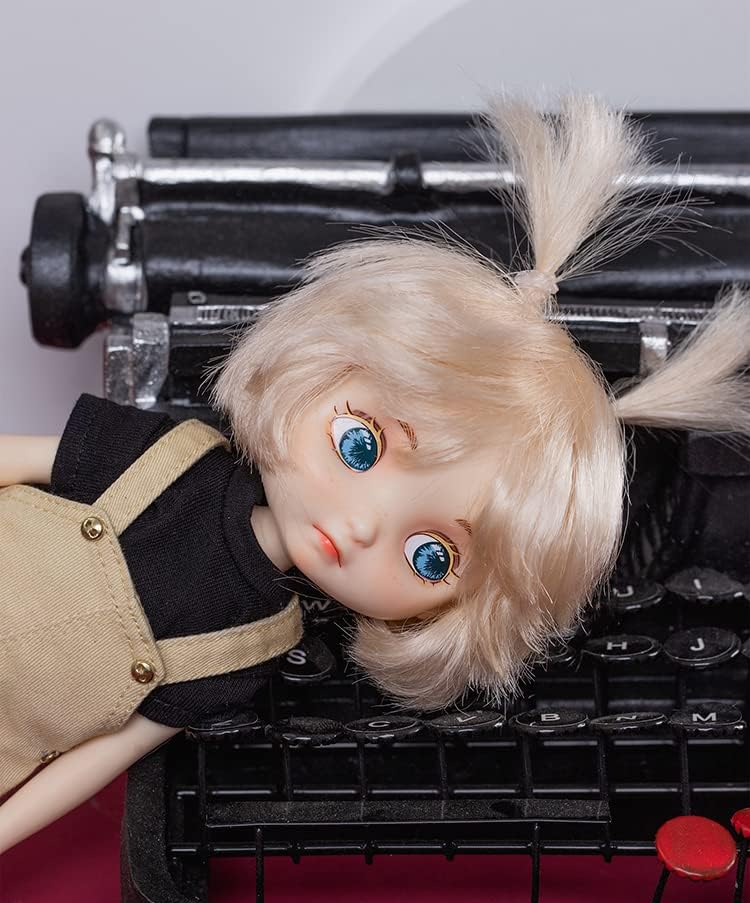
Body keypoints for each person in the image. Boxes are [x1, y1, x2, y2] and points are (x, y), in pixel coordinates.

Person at [1, 93, 749, 855]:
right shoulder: (164, 459)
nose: (360, 525)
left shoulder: (246, 646)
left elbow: (114, 748)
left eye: (433, 555)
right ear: (315, 364)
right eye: (361, 445)